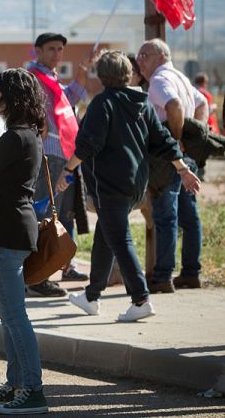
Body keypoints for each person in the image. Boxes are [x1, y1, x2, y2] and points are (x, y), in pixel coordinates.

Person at [61, 51, 200, 319]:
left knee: (120, 240)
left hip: (110, 186)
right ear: (128, 73)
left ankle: (141, 299)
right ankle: (92, 296)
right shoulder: (143, 103)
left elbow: (88, 144)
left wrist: (67, 170)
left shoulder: (103, 104)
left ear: (101, 76)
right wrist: (183, 170)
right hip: (135, 184)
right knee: (106, 233)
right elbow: (163, 141)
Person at [0, 68, 49, 415]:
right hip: (14, 229)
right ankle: (16, 384)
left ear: (9, 98)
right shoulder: (29, 134)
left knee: (13, 315)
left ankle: (32, 389)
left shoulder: (15, 138)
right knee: (10, 315)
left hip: (6, 232)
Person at [137, 38, 208, 292]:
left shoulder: (158, 80)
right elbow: (202, 104)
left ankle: (163, 276)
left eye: (144, 55)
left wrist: (177, 138)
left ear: (158, 56)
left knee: (166, 217)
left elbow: (174, 105)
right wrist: (197, 134)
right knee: (188, 217)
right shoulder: (179, 77)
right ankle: (190, 273)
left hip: (168, 157)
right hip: (183, 155)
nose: (140, 61)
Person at [26, 33, 89, 297]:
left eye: (61, 49)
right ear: (37, 50)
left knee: (65, 214)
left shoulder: (53, 81)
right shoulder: (35, 79)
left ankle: (65, 263)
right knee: (45, 216)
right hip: (49, 155)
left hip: (65, 155)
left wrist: (84, 72)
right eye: (51, 49)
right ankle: (37, 276)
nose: (57, 54)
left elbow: (72, 98)